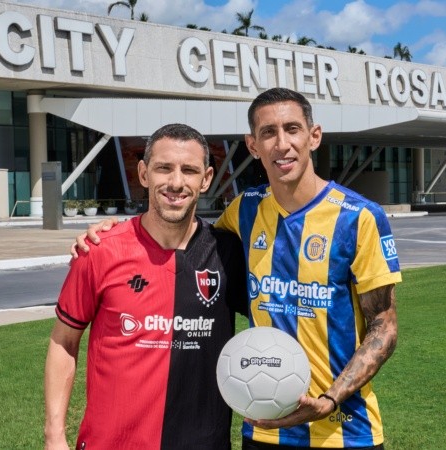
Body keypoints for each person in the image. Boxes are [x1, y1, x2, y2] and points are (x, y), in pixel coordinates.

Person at [73, 88, 402, 449]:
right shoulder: (246, 209)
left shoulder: (360, 218)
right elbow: (181, 229)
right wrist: (117, 232)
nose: (282, 144)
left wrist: (329, 399)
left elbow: (384, 327)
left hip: (345, 431)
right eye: (268, 133)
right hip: (262, 427)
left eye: (292, 129)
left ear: (314, 136)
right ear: (252, 145)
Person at [45, 123, 248, 450]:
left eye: (189, 170)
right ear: (143, 173)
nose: (176, 182)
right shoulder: (99, 250)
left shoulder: (228, 254)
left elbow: (278, 312)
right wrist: (54, 435)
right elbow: (63, 341)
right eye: (163, 168)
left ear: (207, 178)